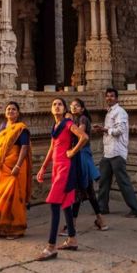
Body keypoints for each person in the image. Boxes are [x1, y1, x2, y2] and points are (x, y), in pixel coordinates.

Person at [35, 97, 89, 261]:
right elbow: (52, 147)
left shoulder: (67, 123)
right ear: (51, 110)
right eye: (54, 104)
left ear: (65, 109)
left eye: (60, 104)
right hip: (57, 167)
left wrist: (72, 152)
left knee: (54, 203)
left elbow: (84, 137)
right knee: (65, 203)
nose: (56, 106)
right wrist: (43, 167)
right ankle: (72, 239)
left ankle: (51, 247)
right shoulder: (56, 126)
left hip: (65, 167)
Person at [92, 88, 137, 218]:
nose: (109, 98)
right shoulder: (109, 113)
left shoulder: (120, 112)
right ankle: (102, 207)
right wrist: (104, 129)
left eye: (112, 96)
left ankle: (136, 209)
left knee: (123, 182)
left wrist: (104, 129)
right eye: (107, 96)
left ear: (117, 98)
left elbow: (119, 130)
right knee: (104, 180)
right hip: (108, 152)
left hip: (117, 152)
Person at [0, 101, 32, 239]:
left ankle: (15, 230)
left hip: (13, 169)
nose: (11, 111)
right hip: (0, 168)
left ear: (18, 113)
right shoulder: (2, 127)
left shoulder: (21, 129)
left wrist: (17, 166)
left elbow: (24, 148)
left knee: (13, 199)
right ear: (5, 112)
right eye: (8, 109)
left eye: (13, 109)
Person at [67, 98, 108, 231]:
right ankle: (101, 220)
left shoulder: (83, 119)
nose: (74, 108)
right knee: (88, 190)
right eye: (72, 106)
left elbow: (82, 136)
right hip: (82, 155)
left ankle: (72, 224)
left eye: (77, 106)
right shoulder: (76, 120)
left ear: (82, 109)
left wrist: (72, 150)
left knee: (80, 189)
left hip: (81, 156)